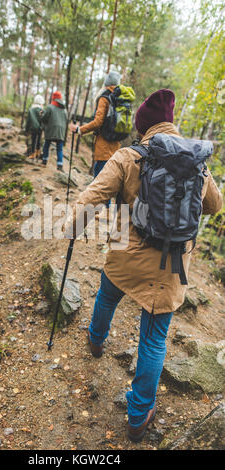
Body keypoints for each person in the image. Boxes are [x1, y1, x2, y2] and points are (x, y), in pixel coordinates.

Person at [65, 89, 223, 442]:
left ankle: (95, 340)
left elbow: (93, 196)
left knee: (107, 296)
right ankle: (138, 418)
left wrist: (73, 228)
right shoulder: (196, 162)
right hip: (170, 269)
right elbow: (214, 205)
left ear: (143, 126)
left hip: (125, 254)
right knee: (153, 341)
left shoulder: (128, 156)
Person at [70, 71, 123, 212]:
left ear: (106, 83)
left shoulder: (105, 98)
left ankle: (100, 209)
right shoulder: (119, 98)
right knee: (109, 177)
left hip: (104, 144)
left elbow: (98, 122)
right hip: (115, 144)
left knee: (100, 177)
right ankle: (105, 208)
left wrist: (80, 129)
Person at [41, 91, 67, 171]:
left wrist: (41, 114)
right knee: (59, 148)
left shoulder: (50, 107)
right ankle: (60, 165)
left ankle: (44, 161)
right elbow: (66, 120)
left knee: (46, 144)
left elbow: (44, 118)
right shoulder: (64, 110)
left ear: (53, 97)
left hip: (51, 129)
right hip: (61, 131)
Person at [24, 94, 44, 160]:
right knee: (38, 140)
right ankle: (38, 153)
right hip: (40, 128)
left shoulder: (31, 109)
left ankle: (33, 154)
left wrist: (26, 129)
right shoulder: (42, 110)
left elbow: (28, 120)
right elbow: (43, 119)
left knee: (33, 140)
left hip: (33, 127)